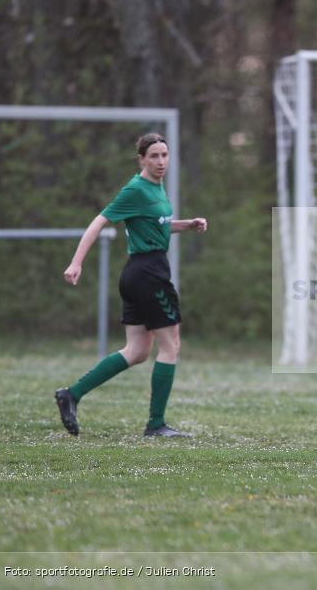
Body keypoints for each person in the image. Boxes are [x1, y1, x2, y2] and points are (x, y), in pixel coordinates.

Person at [54, 132, 208, 438]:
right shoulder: (136, 189)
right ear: (141, 159)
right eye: (154, 156)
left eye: (164, 155)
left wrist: (186, 225)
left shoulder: (156, 187)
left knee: (137, 350)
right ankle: (155, 424)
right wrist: (76, 261)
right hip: (149, 273)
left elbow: (157, 225)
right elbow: (99, 222)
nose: (161, 161)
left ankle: (71, 394)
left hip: (139, 272)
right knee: (171, 346)